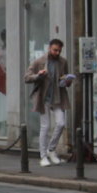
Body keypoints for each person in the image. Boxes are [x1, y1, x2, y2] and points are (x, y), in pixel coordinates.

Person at [24, 38, 74, 166]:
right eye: (55, 50)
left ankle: (51, 149)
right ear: (49, 49)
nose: (57, 53)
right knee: (45, 127)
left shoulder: (63, 62)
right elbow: (27, 77)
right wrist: (38, 75)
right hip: (44, 98)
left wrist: (67, 81)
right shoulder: (40, 61)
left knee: (61, 123)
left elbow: (65, 79)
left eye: (59, 50)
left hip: (57, 97)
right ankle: (43, 156)